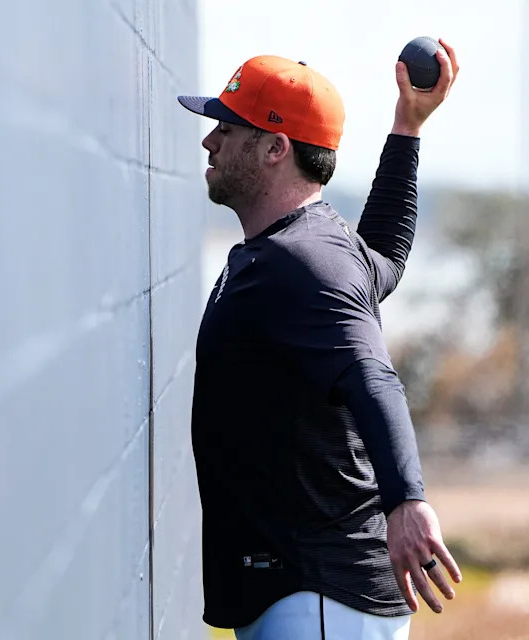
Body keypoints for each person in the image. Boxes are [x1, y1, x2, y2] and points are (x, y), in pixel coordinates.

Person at [177, 42, 461, 640]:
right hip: (308, 596)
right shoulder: (312, 249)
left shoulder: (304, 262)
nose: (210, 141)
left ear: (275, 147)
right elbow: (383, 255)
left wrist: (406, 501)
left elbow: (373, 375)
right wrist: (407, 127)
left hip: (320, 598)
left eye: (227, 127)